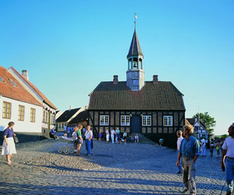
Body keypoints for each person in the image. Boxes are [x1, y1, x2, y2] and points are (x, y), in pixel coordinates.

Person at [176, 125, 200, 195]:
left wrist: (193, 160)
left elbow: (197, 152)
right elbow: (180, 151)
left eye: (184, 130)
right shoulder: (183, 141)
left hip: (191, 160)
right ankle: (187, 188)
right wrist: (178, 160)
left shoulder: (194, 141)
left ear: (187, 131)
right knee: (184, 177)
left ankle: (193, 191)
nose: (183, 131)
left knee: (191, 177)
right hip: (184, 159)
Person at [221, 124, 234, 195]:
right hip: (229, 161)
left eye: (229, 130)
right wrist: (222, 161)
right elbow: (224, 150)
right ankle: (229, 191)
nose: (228, 131)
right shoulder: (227, 139)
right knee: (228, 178)